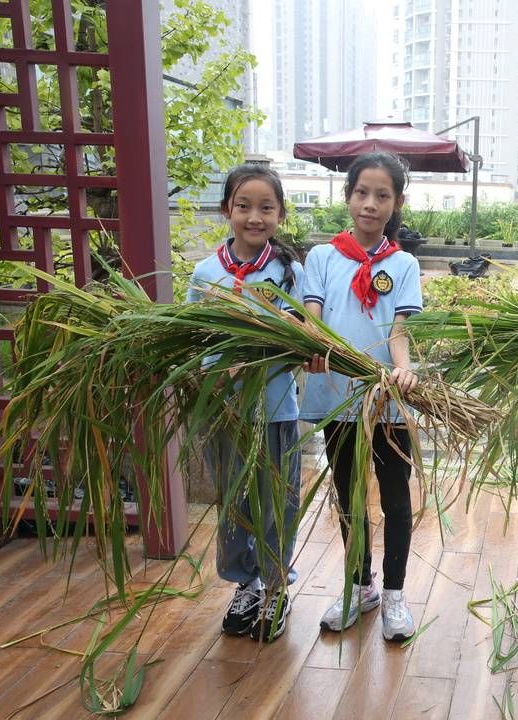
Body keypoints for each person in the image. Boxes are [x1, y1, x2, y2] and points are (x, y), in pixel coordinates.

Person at [301, 152, 422, 642]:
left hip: (388, 400)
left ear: (397, 203)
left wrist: (404, 370)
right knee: (349, 497)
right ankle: (360, 588)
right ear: (347, 196)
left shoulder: (404, 263)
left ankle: (393, 594)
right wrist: (309, 345)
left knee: (395, 497)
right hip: (338, 398)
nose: (370, 204)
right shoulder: (322, 257)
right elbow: (311, 317)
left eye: (383, 195)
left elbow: (398, 330)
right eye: (361, 193)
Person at [187, 163, 304, 643]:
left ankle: (276, 587)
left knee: (277, 502)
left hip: (275, 410)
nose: (254, 217)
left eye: (266, 207)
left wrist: (258, 351)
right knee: (234, 502)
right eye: (243, 206)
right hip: (225, 412)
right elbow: (192, 336)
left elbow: (301, 339)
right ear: (226, 210)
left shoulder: (288, 271)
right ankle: (245, 584)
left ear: (280, 214)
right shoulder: (206, 271)